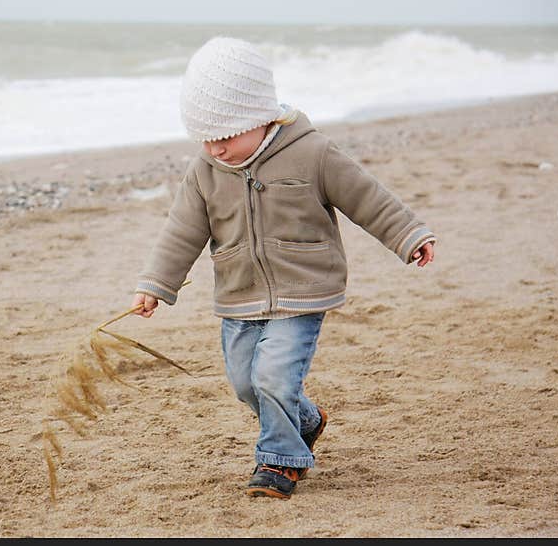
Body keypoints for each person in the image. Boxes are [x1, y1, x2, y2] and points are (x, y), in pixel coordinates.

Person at [131, 37, 436, 499]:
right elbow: (181, 232)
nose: (215, 149)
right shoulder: (205, 171)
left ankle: (279, 462)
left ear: (261, 118)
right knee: (244, 383)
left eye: (225, 136)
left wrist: (408, 235)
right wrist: (156, 284)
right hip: (239, 296)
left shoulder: (311, 152)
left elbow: (365, 196)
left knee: (273, 377)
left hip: (302, 291)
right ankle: (306, 420)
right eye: (205, 138)